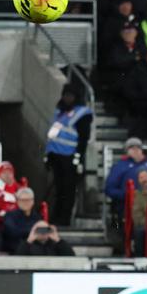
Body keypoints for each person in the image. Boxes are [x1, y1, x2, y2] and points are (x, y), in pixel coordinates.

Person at [44, 85, 92, 225]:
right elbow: (52, 135)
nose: (67, 98)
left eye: (70, 95)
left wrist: (78, 158)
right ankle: (56, 218)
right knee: (59, 190)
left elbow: (84, 138)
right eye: (65, 95)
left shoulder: (82, 114)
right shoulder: (59, 112)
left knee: (68, 190)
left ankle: (64, 219)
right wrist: (47, 155)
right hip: (55, 156)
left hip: (69, 157)